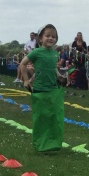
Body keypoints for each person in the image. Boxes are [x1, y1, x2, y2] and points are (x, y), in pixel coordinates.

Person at [19, 24, 65, 152]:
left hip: (53, 90)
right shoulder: (36, 52)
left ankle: (53, 143)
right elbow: (23, 64)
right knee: (41, 118)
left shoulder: (55, 54)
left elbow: (53, 69)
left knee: (54, 117)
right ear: (40, 38)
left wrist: (60, 76)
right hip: (40, 90)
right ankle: (40, 144)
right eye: (47, 36)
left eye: (53, 36)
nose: (51, 38)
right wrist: (26, 80)